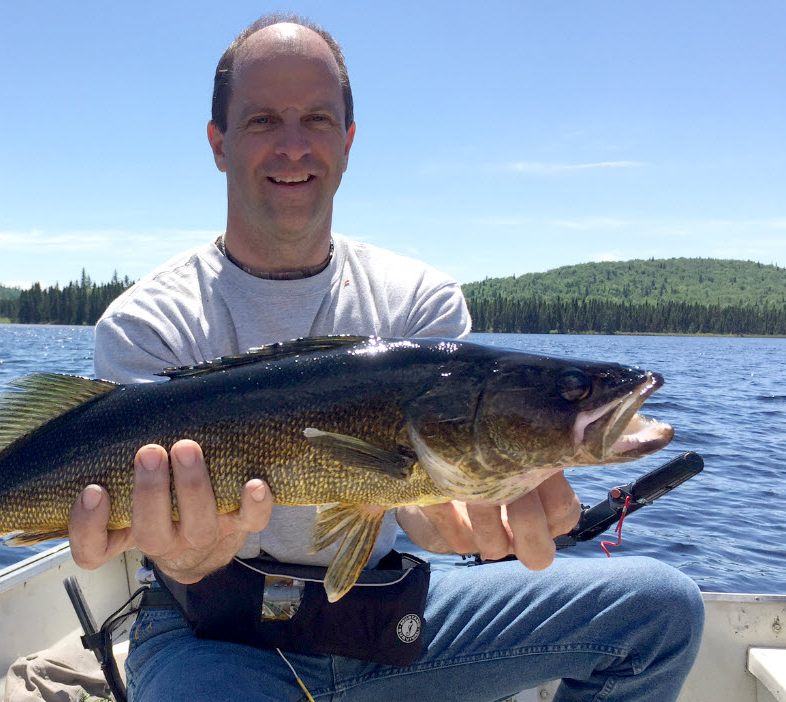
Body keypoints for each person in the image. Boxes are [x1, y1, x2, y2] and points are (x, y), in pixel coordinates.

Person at [68, 14, 704, 701]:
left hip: (385, 617)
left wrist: (457, 519)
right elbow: (178, 559)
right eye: (261, 122)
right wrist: (186, 558)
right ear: (218, 144)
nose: (292, 146)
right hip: (208, 635)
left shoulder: (421, 304)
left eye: (316, 119)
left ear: (346, 142)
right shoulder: (145, 323)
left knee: (660, 610)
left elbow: (423, 507)